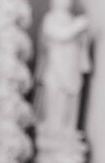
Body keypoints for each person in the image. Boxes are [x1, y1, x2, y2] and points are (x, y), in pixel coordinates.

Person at [34, 0, 91, 134]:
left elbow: (80, 44)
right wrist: (78, 26)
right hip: (56, 64)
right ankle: (53, 127)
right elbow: (59, 34)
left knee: (69, 97)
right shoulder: (50, 18)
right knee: (55, 95)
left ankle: (67, 127)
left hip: (70, 66)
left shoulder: (71, 19)